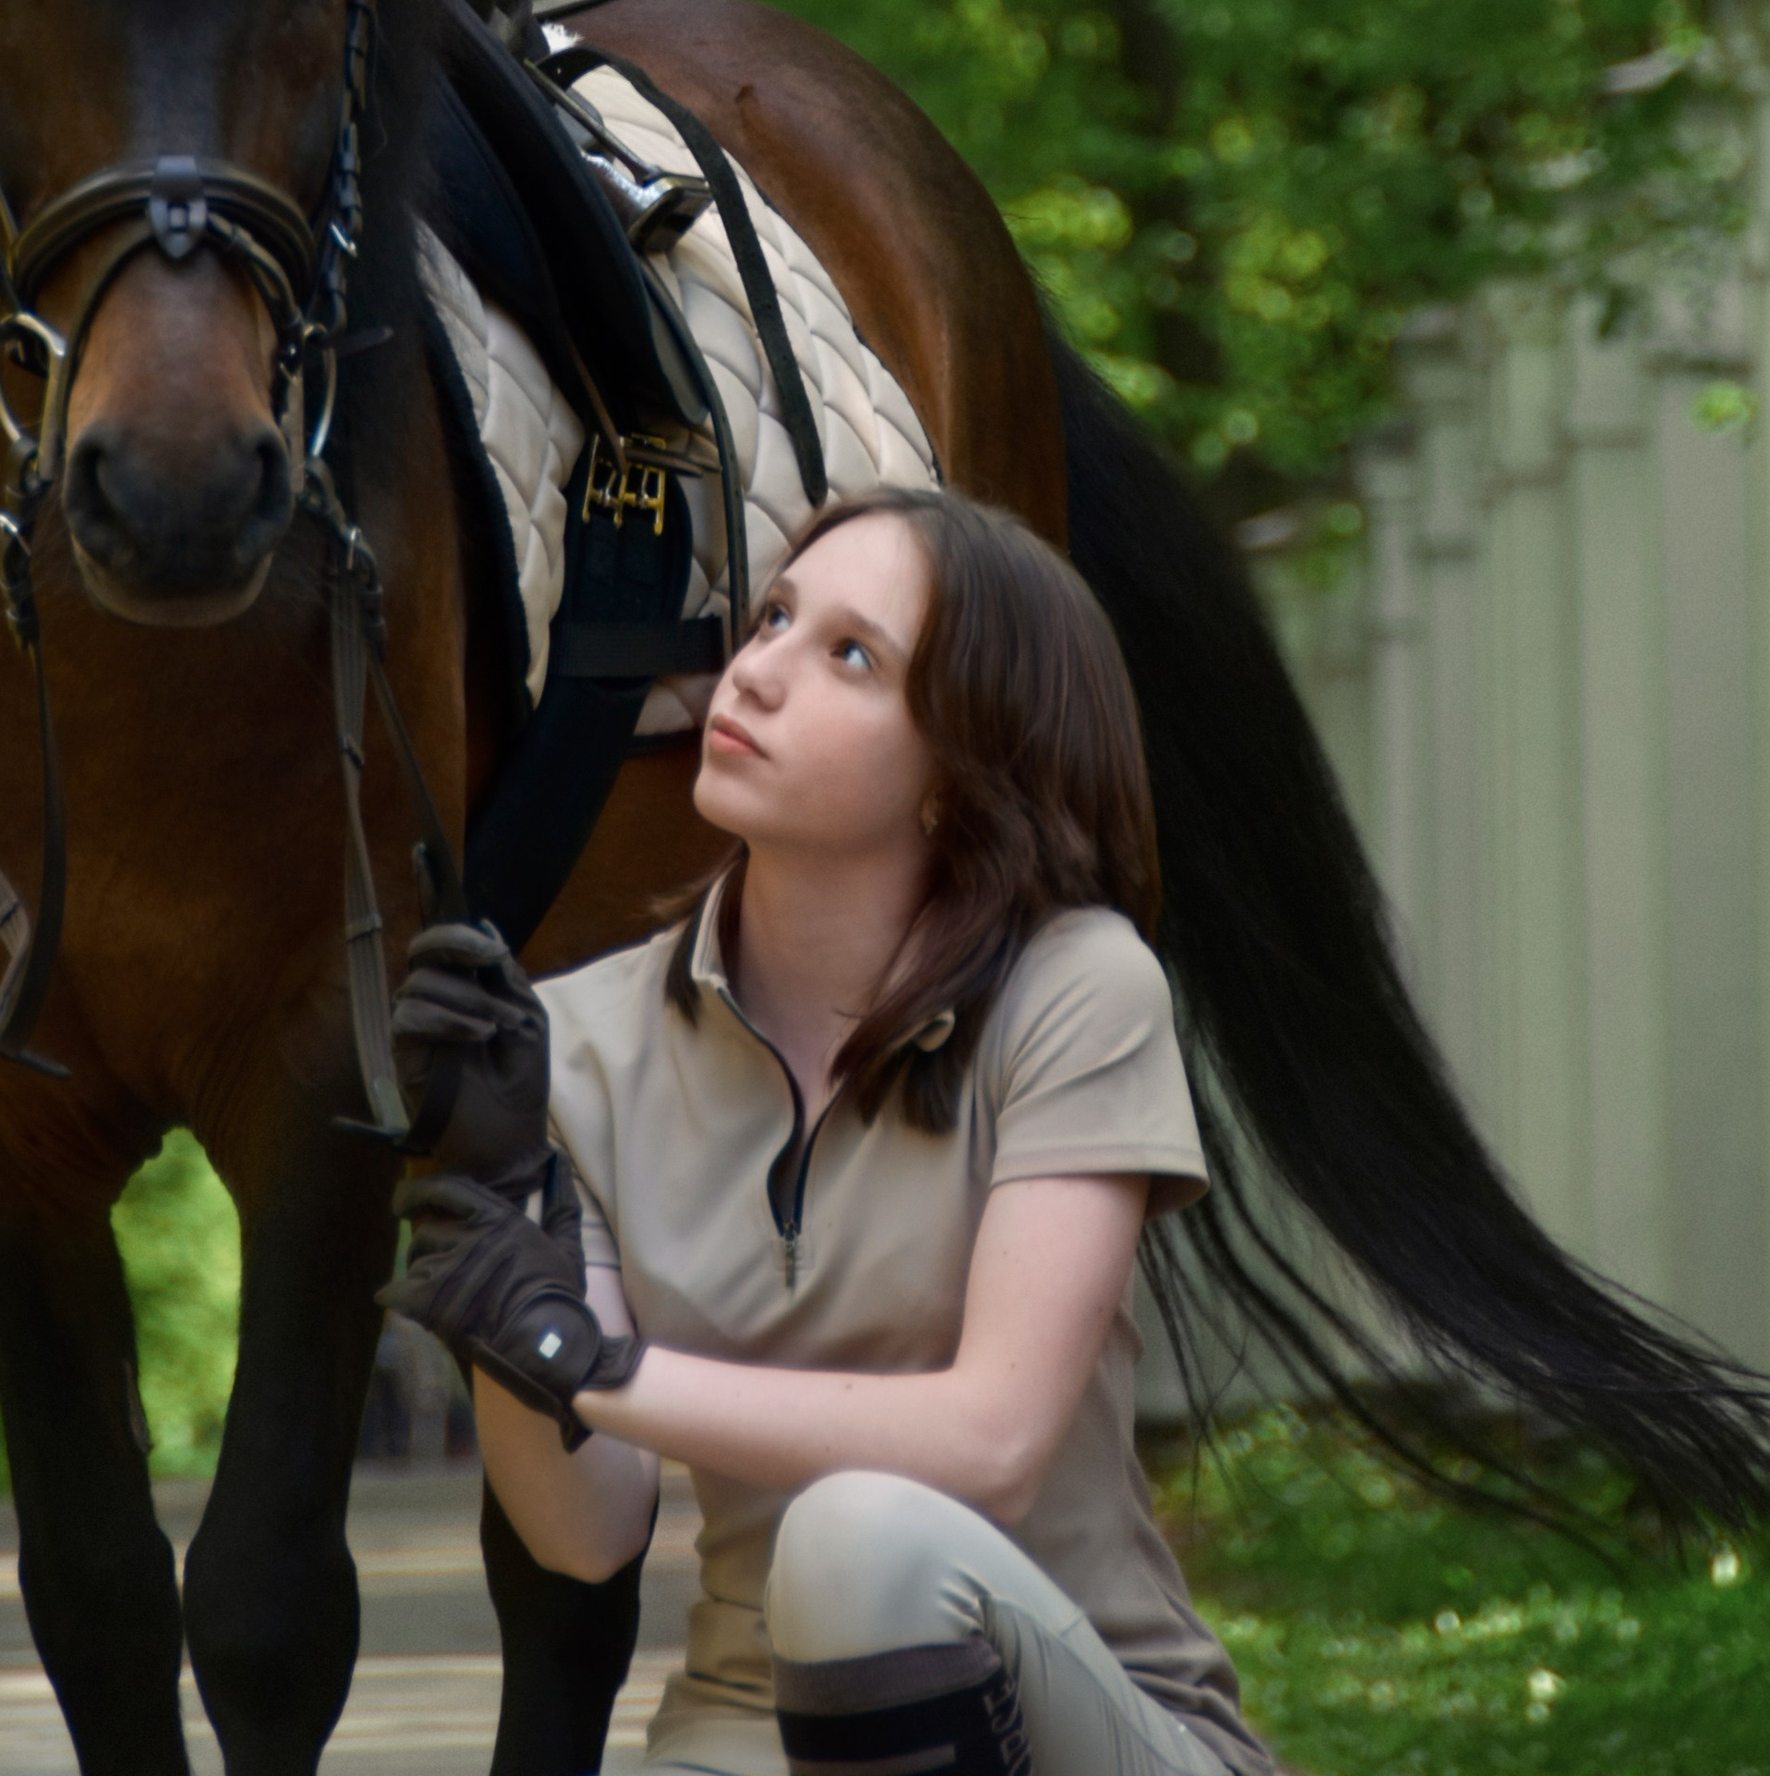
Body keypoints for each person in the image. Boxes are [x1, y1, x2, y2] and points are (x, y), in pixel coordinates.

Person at [383, 485, 1279, 1776]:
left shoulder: (1080, 989)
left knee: (861, 1539)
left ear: (961, 767)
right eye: (773, 619)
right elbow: (587, 1531)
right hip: (743, 1732)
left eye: (850, 654)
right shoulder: (567, 1043)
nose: (755, 674)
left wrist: (590, 1363)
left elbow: (994, 1444)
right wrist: (497, 1214)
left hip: (1080, 1721)